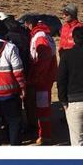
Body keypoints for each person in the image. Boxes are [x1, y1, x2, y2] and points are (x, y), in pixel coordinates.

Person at [23, 16, 58, 145]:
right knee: (43, 107)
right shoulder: (45, 34)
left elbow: (43, 54)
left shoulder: (39, 36)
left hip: (42, 79)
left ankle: (45, 136)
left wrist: (36, 75)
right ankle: (44, 133)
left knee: (42, 108)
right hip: (46, 77)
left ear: (29, 24)